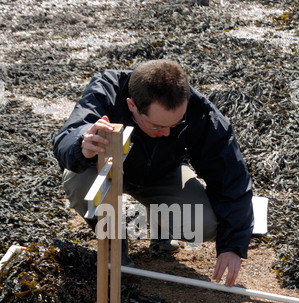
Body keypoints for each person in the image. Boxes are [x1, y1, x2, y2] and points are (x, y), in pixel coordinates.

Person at [53, 59, 253, 287]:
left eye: (176, 124)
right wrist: (82, 144)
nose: (167, 133)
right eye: (157, 126)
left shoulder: (199, 110)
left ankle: (161, 226)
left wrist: (231, 246)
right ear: (131, 105)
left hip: (162, 172)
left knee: (204, 225)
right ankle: (115, 247)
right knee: (80, 183)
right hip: (105, 168)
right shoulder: (107, 87)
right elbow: (66, 136)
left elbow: (231, 176)